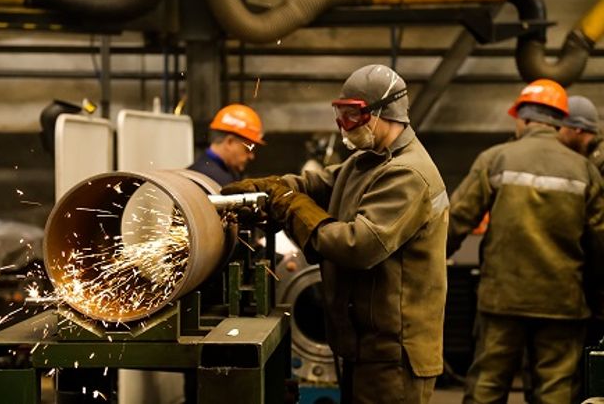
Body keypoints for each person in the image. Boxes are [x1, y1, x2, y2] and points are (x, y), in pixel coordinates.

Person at [222, 64, 448, 404]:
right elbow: (319, 184)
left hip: (394, 356)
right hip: (365, 346)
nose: (344, 124)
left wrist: (291, 206)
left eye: (352, 115)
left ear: (383, 113)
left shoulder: (407, 174)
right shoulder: (368, 160)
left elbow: (357, 246)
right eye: (340, 114)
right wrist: (269, 189)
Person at [446, 79, 604, 403]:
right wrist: (592, 295)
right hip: (562, 302)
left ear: (523, 118)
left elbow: (454, 222)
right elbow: (599, 244)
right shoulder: (585, 171)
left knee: (487, 386)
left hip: (501, 300)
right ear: (559, 121)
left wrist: (432, 265)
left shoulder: (495, 159)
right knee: (556, 390)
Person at [188, 103, 265, 186]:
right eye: (248, 149)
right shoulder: (212, 181)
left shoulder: (201, 172)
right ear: (230, 142)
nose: (251, 156)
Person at [558, 95, 604, 173]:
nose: (557, 133)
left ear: (578, 128)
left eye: (559, 127)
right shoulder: (584, 153)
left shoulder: (600, 161)